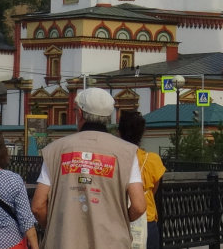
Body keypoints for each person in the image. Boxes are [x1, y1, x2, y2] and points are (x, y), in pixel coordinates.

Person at [31, 88, 146, 249]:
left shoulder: (56, 150)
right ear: (108, 116)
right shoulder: (126, 152)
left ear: (80, 113)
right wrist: (118, 221)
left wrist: (56, 227)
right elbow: (139, 205)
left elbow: (38, 206)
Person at [118, 110, 167, 249]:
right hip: (147, 220)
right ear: (142, 133)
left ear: (119, 132)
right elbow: (154, 189)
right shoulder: (152, 160)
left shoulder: (115, 159)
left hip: (118, 220)